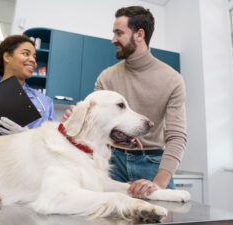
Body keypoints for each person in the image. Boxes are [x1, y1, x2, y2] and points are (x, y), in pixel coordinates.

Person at [63, 5, 187, 198]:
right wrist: (78, 118)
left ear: (139, 34)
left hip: (152, 164)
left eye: (118, 33)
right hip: (111, 162)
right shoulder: (107, 77)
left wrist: (158, 184)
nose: (113, 40)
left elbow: (177, 136)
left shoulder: (172, 79)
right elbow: (95, 128)